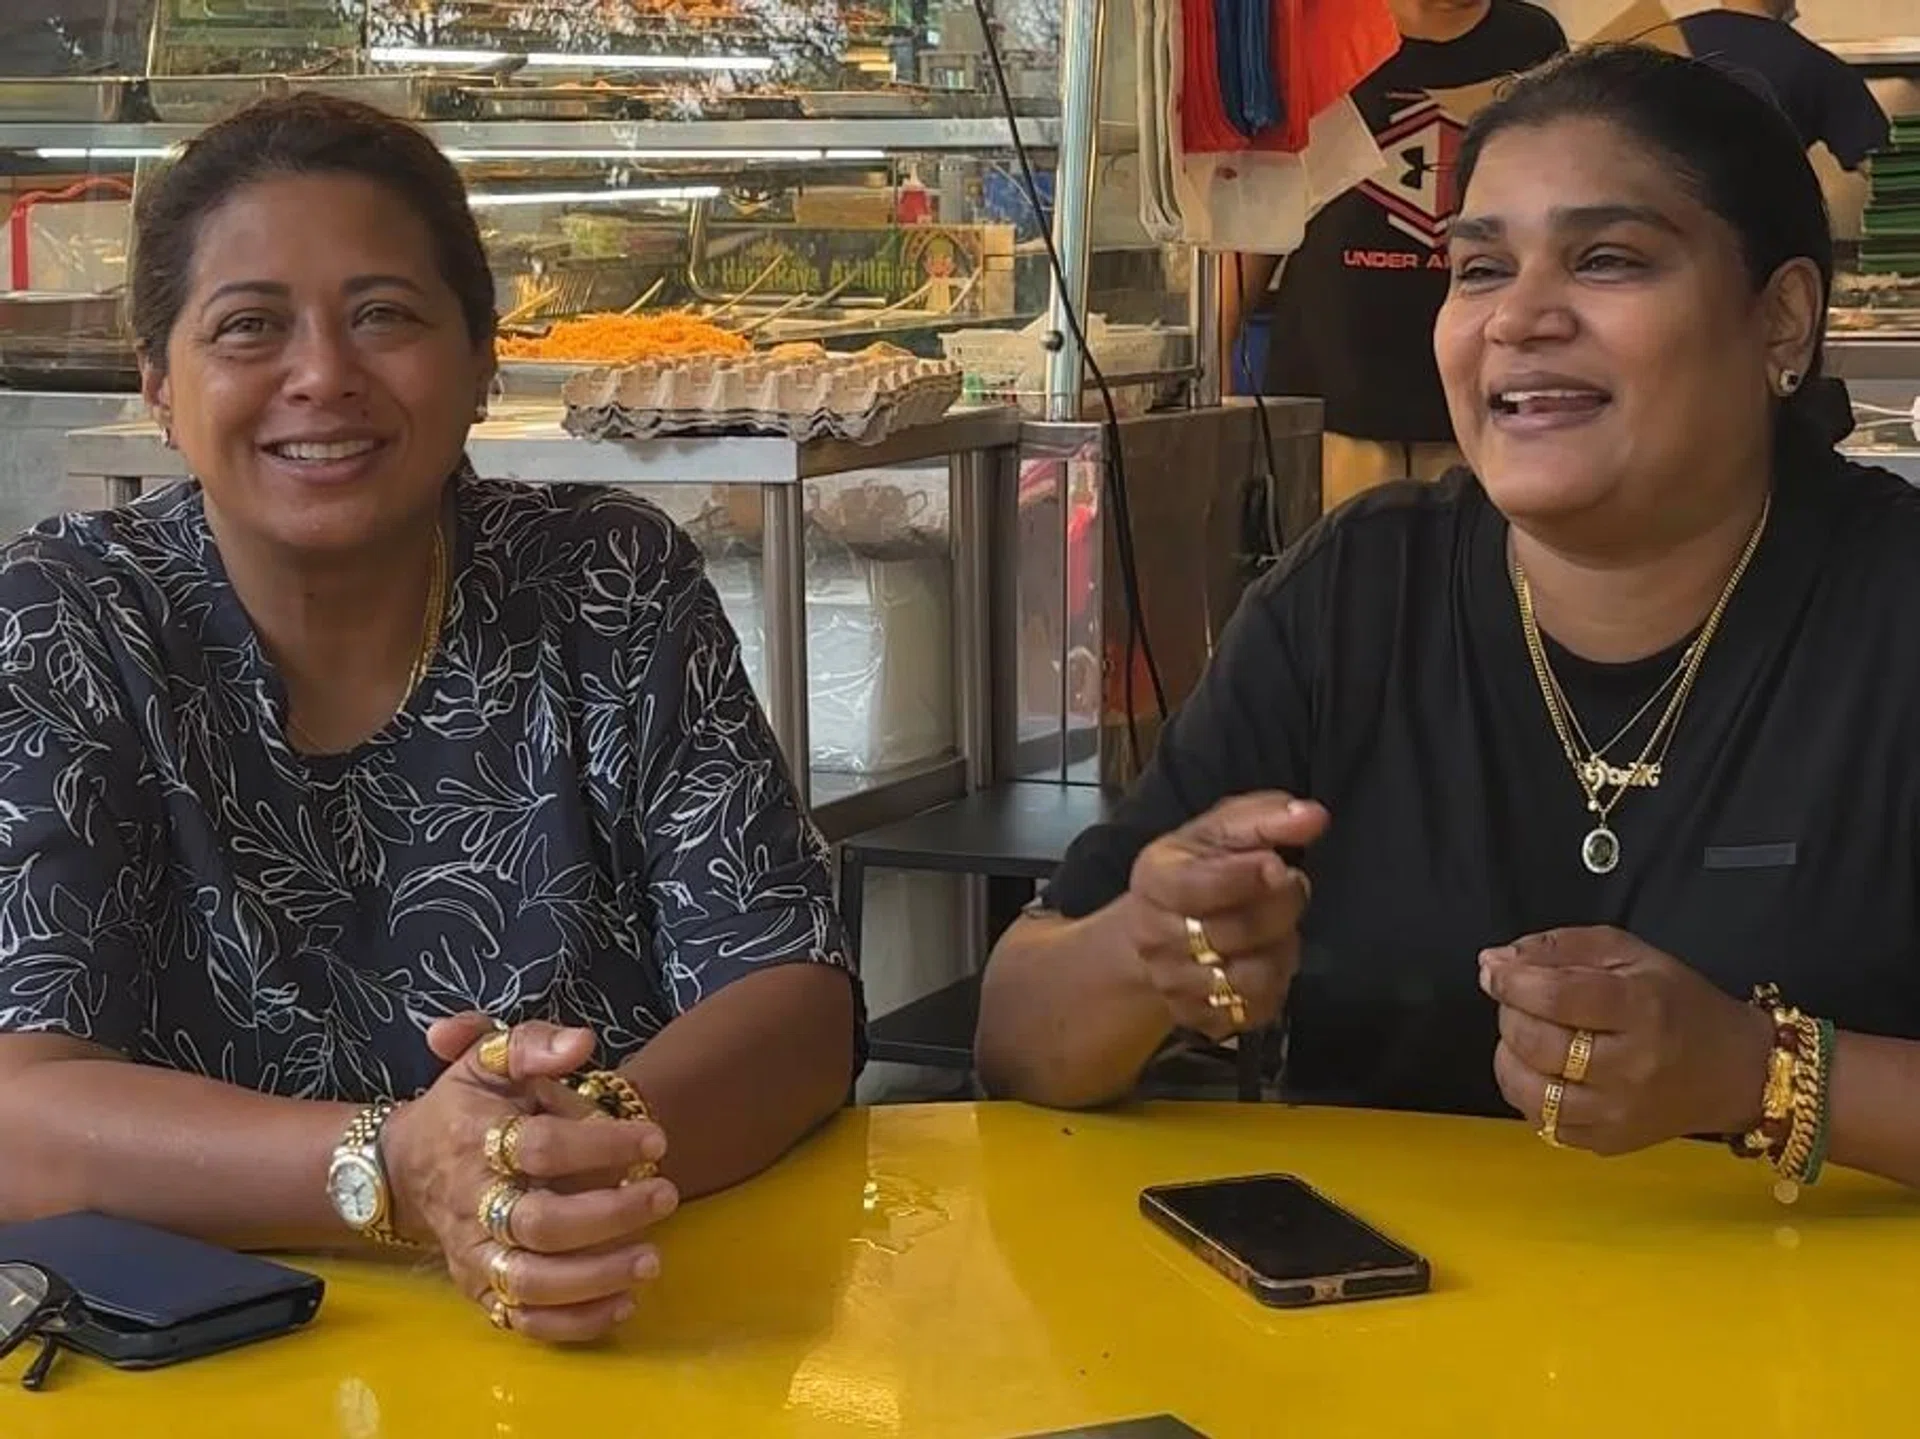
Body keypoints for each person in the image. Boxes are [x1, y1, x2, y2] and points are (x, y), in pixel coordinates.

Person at [977, 44, 1920, 1199]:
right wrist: (1150, 950)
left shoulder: (1890, 607)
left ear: (1780, 321)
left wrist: (1761, 1073)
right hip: (1381, 1343)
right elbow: (1018, 1032)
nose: (1519, 318)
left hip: (1822, 1358)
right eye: (1478, 270)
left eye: (1607, 259)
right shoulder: (1358, 593)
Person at [0, 94, 861, 1344]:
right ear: (161, 389)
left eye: (384, 316)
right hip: (216, 1366)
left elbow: (798, 999)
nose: (322, 376)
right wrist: (403, 1167)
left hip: (619, 1316)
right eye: (249, 327)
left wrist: (577, 1150)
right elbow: (20, 1116)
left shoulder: (605, 582)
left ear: (480, 362)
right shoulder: (64, 621)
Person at [1224, 0, 1565, 514]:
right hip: (1330, 404)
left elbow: (1558, 208)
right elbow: (1259, 220)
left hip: (1486, 407)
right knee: (1336, 586)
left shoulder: (1531, 41)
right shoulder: (1316, 32)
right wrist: (1210, 365)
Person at [1677, 1, 1890, 171]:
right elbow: (1888, 175)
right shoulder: (1819, 67)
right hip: (1761, 219)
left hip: (1658, 218)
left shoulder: (1665, 39)